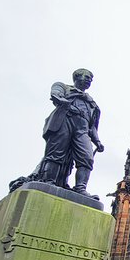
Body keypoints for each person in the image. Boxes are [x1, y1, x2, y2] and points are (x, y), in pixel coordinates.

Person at [40, 68, 104, 198]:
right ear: (76, 77)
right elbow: (56, 94)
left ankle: (80, 188)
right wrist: (61, 100)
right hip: (65, 121)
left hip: (82, 130)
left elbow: (92, 126)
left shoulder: (92, 104)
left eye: (90, 80)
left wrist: (97, 141)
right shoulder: (64, 87)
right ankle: (49, 181)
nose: (88, 81)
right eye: (86, 77)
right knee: (56, 153)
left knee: (87, 157)